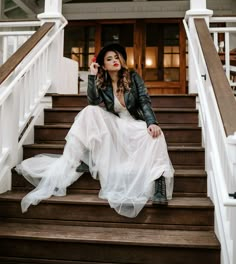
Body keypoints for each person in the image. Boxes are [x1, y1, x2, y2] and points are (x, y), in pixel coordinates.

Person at [16, 43, 174, 218]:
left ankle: (159, 180)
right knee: (90, 112)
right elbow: (92, 101)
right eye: (109, 59)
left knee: (156, 136)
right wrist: (92, 76)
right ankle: (86, 156)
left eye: (116, 57)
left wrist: (152, 122)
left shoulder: (133, 77)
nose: (114, 61)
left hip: (134, 123)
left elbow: (144, 101)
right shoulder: (103, 82)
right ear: (103, 65)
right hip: (116, 123)